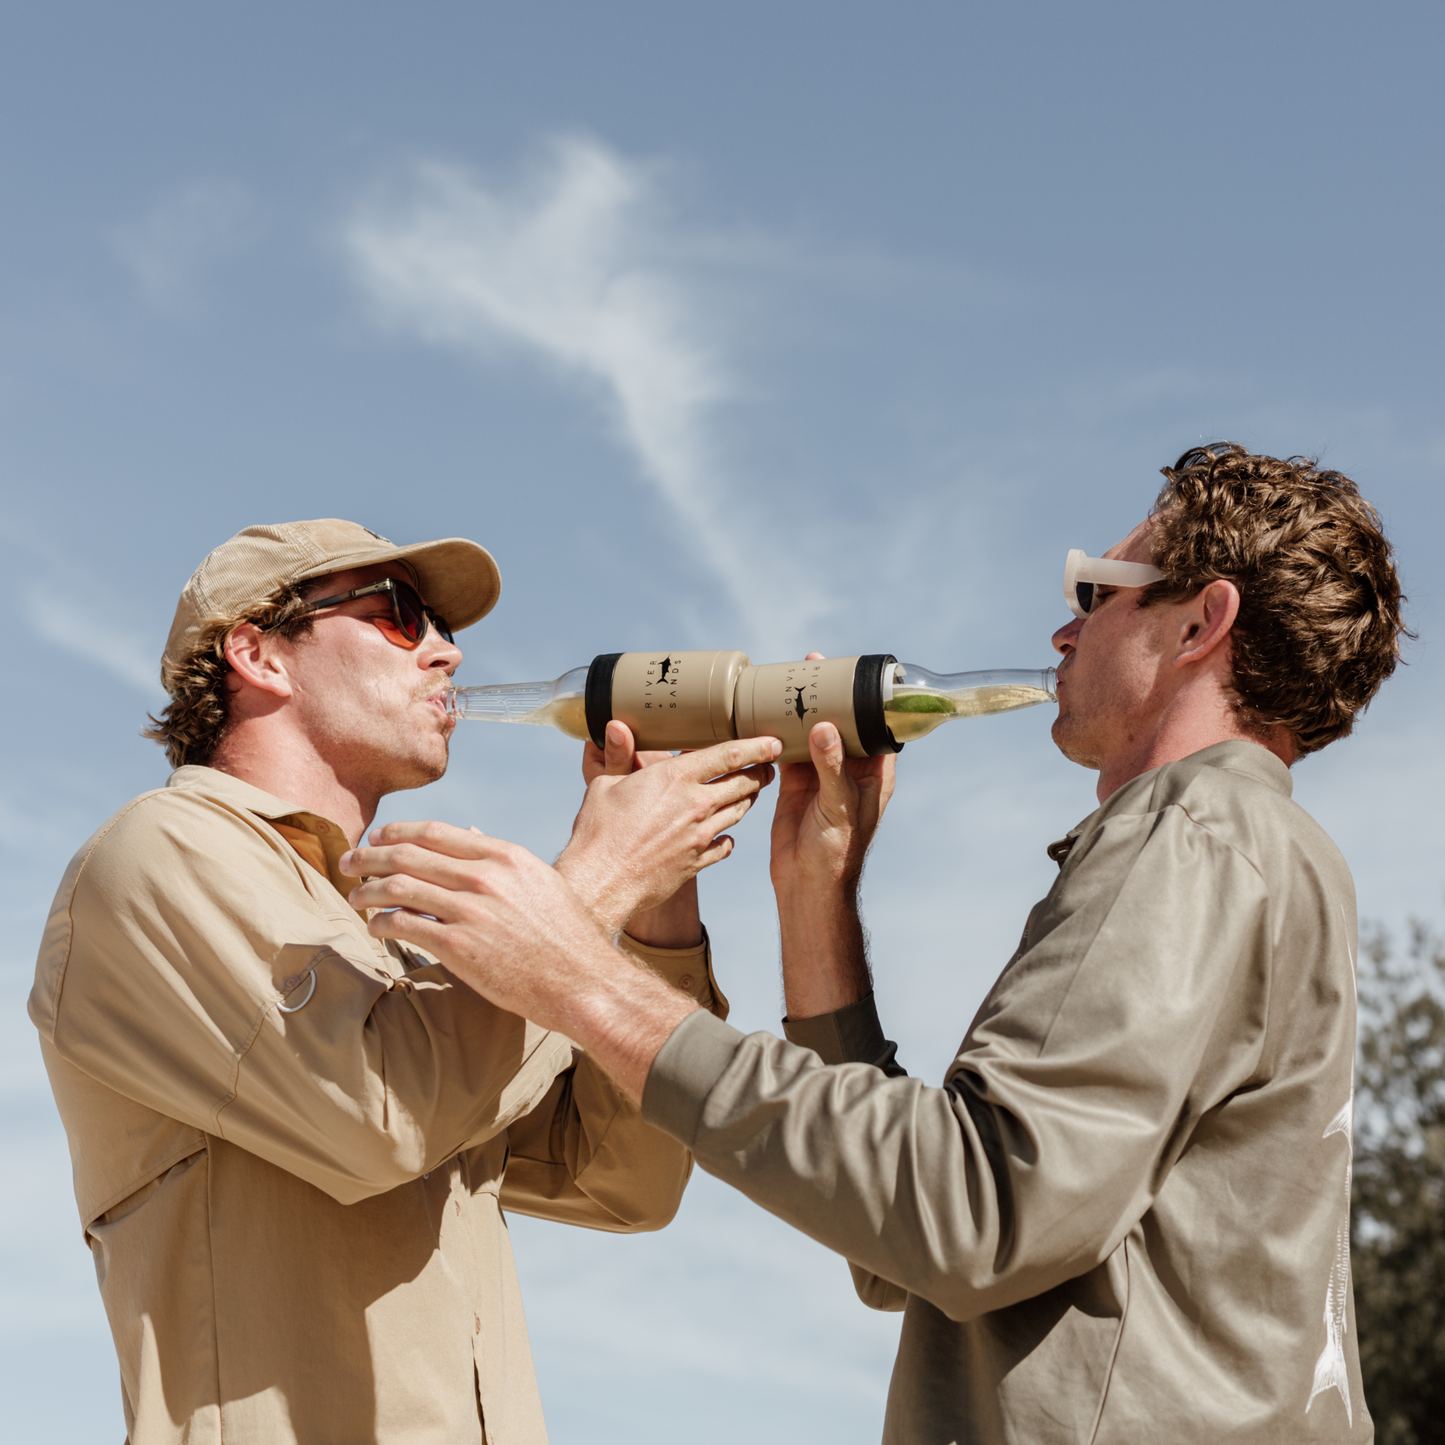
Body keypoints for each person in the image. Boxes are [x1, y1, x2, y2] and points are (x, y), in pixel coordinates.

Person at [344, 445, 1407, 1442]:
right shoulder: (1256, 851)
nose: (1061, 629)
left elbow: (972, 1210)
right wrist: (817, 898)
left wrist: (579, 977)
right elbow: (910, 1249)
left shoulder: (1192, 833)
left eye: (1098, 588)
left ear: (1196, 624)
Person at [29, 518, 777, 1445]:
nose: (446, 652)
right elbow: (381, 1115)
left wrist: (660, 894)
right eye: (399, 615)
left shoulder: (385, 936)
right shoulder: (159, 854)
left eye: (443, 629)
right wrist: (603, 873)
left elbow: (622, 1180)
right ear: (258, 654)